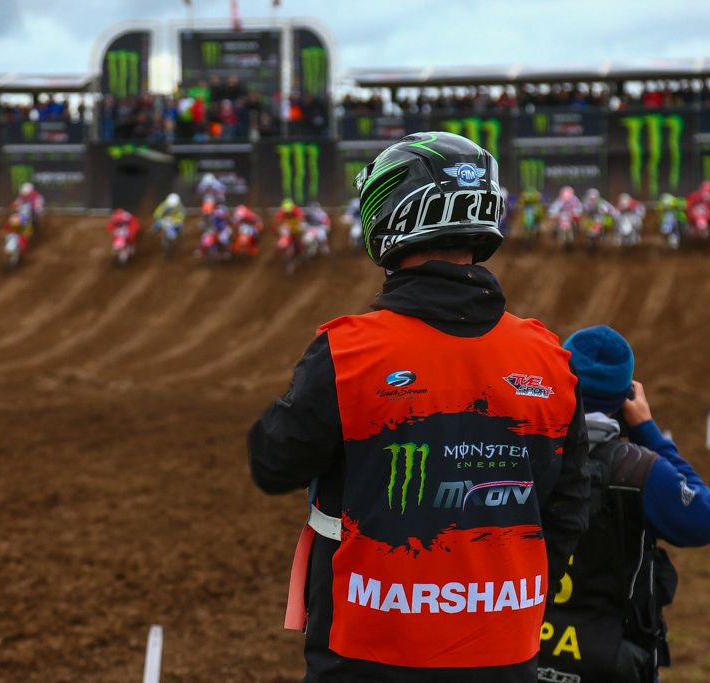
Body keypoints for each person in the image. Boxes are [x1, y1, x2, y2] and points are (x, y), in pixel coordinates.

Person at [249, 132, 590, 682]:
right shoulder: (549, 355)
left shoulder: (350, 350)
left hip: (371, 646)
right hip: (504, 645)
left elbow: (273, 460)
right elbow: (570, 504)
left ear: (397, 213)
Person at [539, 325, 710, 683]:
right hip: (612, 657)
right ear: (626, 395)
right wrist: (648, 429)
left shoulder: (528, 453)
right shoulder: (641, 471)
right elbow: (701, 518)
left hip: (524, 648)